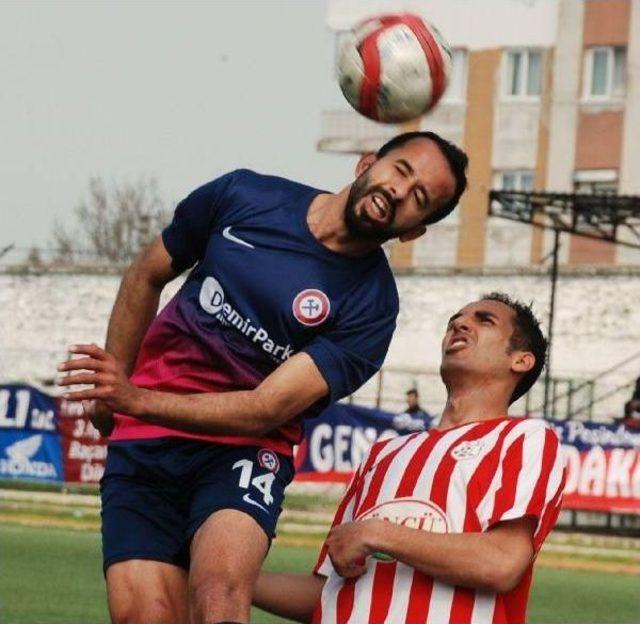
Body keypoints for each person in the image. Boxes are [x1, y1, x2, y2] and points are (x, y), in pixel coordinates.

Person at [57, 131, 468, 624]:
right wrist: (113, 385)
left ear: (414, 231)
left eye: (420, 198)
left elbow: (265, 409)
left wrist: (133, 398)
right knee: (143, 616)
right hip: (146, 441)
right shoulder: (243, 195)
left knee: (219, 595)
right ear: (366, 164)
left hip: (244, 450)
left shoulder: (373, 308)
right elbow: (146, 273)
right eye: (401, 170)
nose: (401, 192)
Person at [252, 293, 566, 624]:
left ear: (520, 361)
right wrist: (223, 575)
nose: (459, 324)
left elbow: (501, 563)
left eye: (484, 320)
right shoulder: (384, 454)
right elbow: (328, 590)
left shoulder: (524, 438)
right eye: (454, 321)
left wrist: (380, 533)